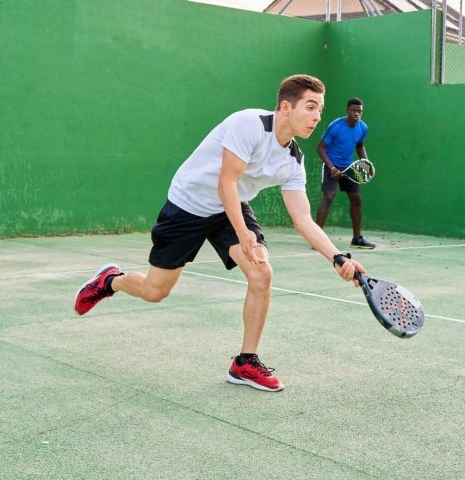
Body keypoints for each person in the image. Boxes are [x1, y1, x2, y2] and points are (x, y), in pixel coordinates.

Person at [73, 74, 365, 392]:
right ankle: (110, 281)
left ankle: (244, 363)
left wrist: (337, 256)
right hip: (188, 205)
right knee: (155, 292)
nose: (316, 117)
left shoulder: (293, 161)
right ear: (285, 106)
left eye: (320, 110)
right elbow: (226, 181)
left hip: (230, 209)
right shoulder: (249, 124)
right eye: (310, 107)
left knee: (261, 273)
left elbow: (303, 219)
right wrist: (243, 232)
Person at [315, 97, 376, 249]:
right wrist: (332, 168)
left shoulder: (363, 127)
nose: (356, 114)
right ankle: (316, 238)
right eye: (353, 111)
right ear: (347, 111)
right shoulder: (335, 126)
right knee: (328, 197)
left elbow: (360, 146)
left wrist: (366, 163)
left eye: (359, 111)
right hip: (332, 165)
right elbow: (320, 148)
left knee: (356, 199)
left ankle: (357, 239)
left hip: (349, 167)